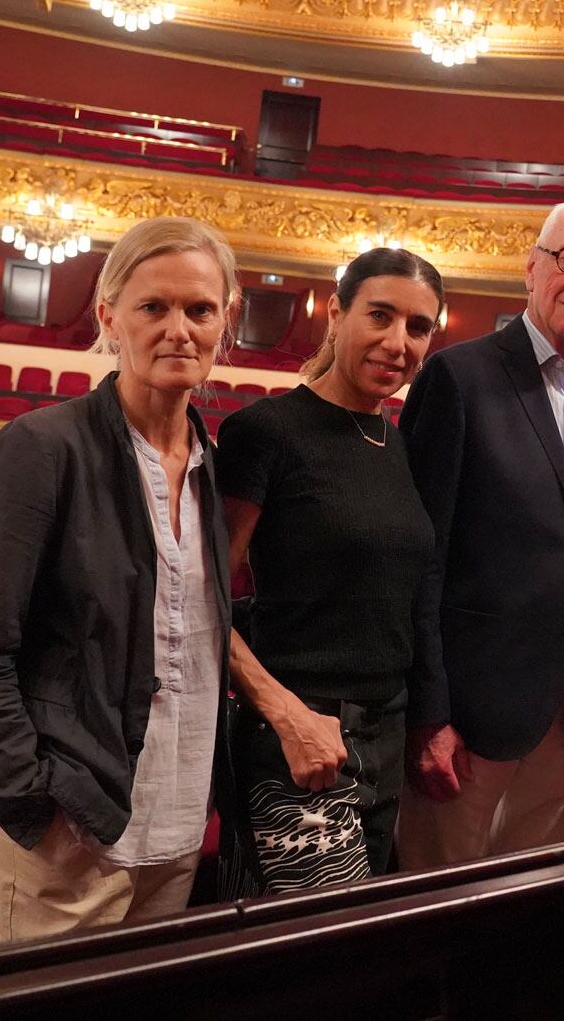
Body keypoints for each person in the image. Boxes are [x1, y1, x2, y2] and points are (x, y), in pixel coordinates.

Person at [0, 216, 238, 946]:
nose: (179, 329)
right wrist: (33, 807)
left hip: (174, 829)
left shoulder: (212, 466)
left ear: (225, 321)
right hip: (64, 833)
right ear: (109, 317)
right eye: (153, 307)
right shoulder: (40, 449)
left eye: (200, 310)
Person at [396, 199, 564, 867]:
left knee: (525, 915)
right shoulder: (459, 378)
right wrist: (428, 713)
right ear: (531, 269)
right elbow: (421, 561)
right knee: (432, 908)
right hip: (469, 718)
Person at [214, 248, 442, 893]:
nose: (398, 343)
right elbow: (198, 600)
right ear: (336, 315)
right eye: (380, 315)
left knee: (356, 948)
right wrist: (286, 716)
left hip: (386, 733)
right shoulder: (266, 433)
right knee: (315, 956)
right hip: (299, 736)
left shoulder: (397, 444)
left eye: (418, 327)